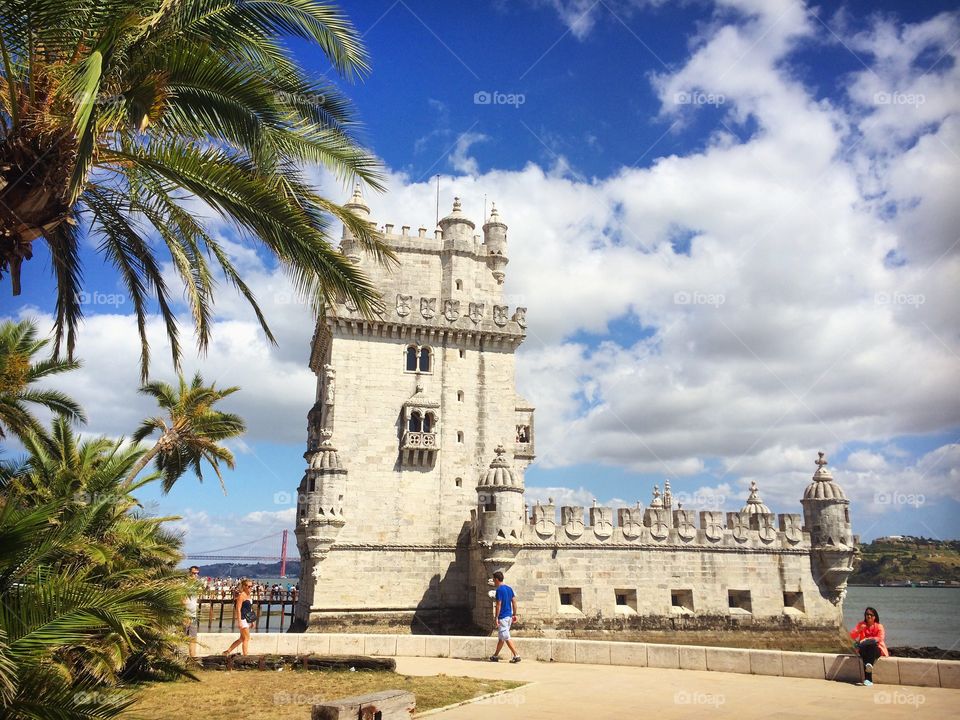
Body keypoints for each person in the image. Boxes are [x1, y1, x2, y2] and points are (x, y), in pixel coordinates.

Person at [849, 606, 888, 685]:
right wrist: (859, 630)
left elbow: (880, 638)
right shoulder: (861, 625)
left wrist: (867, 640)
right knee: (866, 651)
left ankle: (868, 679)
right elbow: (851, 636)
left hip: (876, 649)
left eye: (871, 615)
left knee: (871, 646)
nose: (869, 616)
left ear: (875, 617)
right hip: (864, 649)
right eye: (867, 614)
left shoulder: (879, 626)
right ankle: (868, 671)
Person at [489, 571, 521, 663]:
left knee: (506, 636)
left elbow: (498, 605)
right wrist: (514, 614)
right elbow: (514, 602)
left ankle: (516, 655)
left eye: (494, 580)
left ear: (496, 579)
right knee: (502, 637)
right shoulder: (509, 589)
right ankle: (495, 656)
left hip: (503, 617)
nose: (493, 582)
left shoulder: (499, 590)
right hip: (509, 616)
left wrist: (496, 617)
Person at [223, 578, 256, 656]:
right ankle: (245, 656)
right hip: (242, 619)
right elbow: (238, 609)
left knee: (242, 638)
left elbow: (250, 609)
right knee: (246, 638)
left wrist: (252, 621)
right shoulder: (241, 596)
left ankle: (227, 652)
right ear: (244, 586)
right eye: (248, 586)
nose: (250, 588)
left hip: (247, 619)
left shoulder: (249, 595)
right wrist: (239, 622)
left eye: (251, 586)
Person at [183, 566, 201, 658]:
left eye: (197, 573)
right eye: (194, 573)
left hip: (193, 615)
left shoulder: (196, 585)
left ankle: (193, 659)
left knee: (193, 638)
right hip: (186, 615)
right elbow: (182, 600)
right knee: (182, 637)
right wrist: (185, 615)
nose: (196, 575)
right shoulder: (185, 585)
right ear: (189, 573)